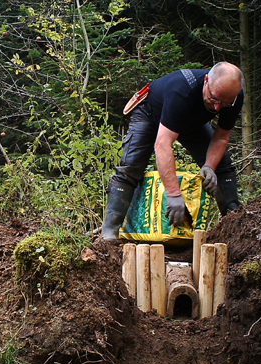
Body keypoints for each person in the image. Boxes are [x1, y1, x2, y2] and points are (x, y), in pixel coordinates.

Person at [101, 61, 245, 241]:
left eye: (224, 104)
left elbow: (222, 137)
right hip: (150, 114)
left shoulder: (234, 97)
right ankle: (110, 233)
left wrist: (209, 166)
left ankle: (234, 227)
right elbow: (163, 144)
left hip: (191, 123)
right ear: (207, 80)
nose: (217, 108)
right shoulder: (182, 90)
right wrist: (174, 194)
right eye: (214, 99)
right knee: (131, 166)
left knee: (222, 166)